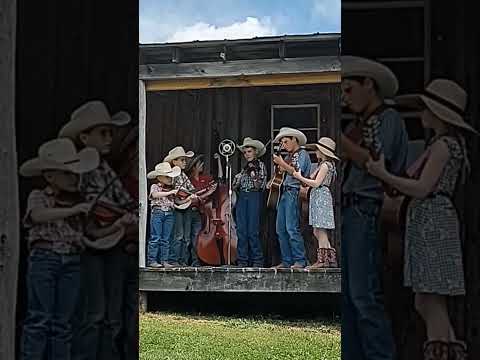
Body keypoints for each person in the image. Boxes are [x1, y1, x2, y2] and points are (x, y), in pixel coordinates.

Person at [366, 79, 476, 360]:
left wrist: (384, 175)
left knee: (432, 299)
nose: (421, 114)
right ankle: (450, 349)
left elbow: (423, 188)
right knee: (423, 299)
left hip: (433, 224)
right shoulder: (442, 145)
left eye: (425, 108)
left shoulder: (443, 146)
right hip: (427, 221)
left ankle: (440, 349)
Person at [19, 138, 120, 360]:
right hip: (45, 259)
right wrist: (74, 209)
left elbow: (91, 234)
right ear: (49, 176)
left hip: (72, 262)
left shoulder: (78, 203)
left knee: (63, 324)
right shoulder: (39, 196)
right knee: (39, 319)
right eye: (67, 173)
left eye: (75, 173)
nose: (74, 178)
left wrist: (118, 226)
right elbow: (37, 216)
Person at [340, 56, 408, 360]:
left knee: (364, 296)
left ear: (370, 84)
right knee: (348, 299)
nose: (345, 97)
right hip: (351, 208)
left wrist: (343, 143)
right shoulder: (359, 124)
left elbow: (376, 161)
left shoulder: (388, 118)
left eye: (349, 89)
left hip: (366, 208)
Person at [59, 100, 137, 360]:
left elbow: (125, 201)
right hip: (87, 247)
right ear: (84, 136)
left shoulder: (105, 169)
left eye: (110, 132)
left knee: (108, 316)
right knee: (93, 314)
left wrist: (123, 215)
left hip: (111, 246)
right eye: (102, 132)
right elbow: (81, 205)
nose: (109, 137)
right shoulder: (75, 168)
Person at [268, 127, 311, 269]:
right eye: (282, 143)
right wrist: (273, 180)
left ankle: (300, 260)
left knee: (292, 228)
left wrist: (281, 164)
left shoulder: (302, 154)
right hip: (283, 193)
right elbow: (282, 175)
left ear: (294, 140)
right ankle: (286, 261)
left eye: (286, 142)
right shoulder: (288, 157)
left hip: (293, 192)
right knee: (280, 229)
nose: (284, 145)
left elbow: (297, 172)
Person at [293, 137, 339, 268]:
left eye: (318, 150)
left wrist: (299, 177)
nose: (316, 152)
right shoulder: (324, 165)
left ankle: (323, 261)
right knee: (317, 230)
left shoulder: (325, 165)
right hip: (318, 197)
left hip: (321, 197)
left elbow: (316, 183)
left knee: (321, 230)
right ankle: (330, 259)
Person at [233, 137, 267, 267]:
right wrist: (239, 177)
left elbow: (260, 186)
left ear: (256, 152)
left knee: (253, 230)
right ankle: (242, 260)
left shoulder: (260, 166)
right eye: (245, 152)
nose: (247, 154)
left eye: (249, 151)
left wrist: (253, 174)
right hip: (242, 196)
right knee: (242, 230)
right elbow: (235, 186)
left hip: (254, 196)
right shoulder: (243, 169)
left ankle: (257, 260)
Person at [164, 146, 198, 266]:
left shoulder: (184, 175)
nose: (185, 162)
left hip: (186, 207)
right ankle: (174, 260)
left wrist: (190, 194)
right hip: (176, 208)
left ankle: (183, 260)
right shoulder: (170, 175)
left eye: (185, 160)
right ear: (174, 161)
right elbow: (171, 190)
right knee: (178, 235)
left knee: (186, 237)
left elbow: (192, 189)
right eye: (182, 160)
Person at [185, 154, 217, 266]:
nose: (202, 165)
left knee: (196, 237)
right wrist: (207, 193)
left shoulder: (205, 179)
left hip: (201, 212)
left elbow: (214, 183)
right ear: (194, 167)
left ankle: (195, 261)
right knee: (186, 238)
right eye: (200, 164)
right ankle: (185, 261)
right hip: (189, 212)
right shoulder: (188, 181)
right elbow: (193, 197)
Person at [146, 162, 180, 268]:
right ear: (159, 177)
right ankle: (152, 261)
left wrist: (188, 199)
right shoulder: (155, 186)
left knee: (166, 239)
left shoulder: (171, 189)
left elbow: (177, 203)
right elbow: (155, 195)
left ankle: (164, 261)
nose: (170, 179)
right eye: (167, 177)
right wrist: (170, 193)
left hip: (169, 213)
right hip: (158, 212)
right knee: (155, 237)